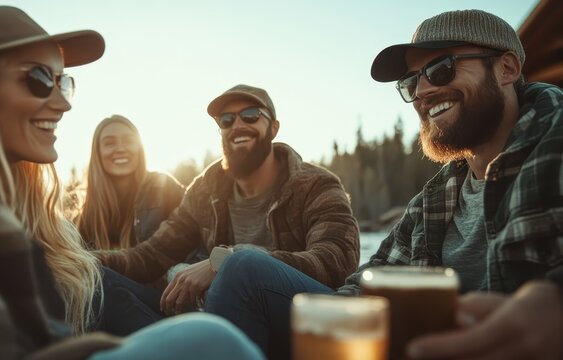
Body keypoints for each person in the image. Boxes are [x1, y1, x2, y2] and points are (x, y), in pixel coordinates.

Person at [203, 9, 563, 360]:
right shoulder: (436, 198)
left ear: (507, 68)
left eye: (440, 69)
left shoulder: (555, 144)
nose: (421, 91)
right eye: (410, 82)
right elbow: (366, 286)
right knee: (242, 275)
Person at [0, 6, 264, 360]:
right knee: (210, 341)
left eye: (63, 83)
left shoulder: (6, 205)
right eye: (39, 79)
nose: (62, 104)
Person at [95, 84, 360, 318]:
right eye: (226, 120)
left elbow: (336, 261)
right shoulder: (205, 189)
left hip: (299, 314)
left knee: (241, 267)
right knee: (96, 280)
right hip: (218, 313)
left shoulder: (316, 185)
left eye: (250, 116)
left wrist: (223, 262)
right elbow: (151, 255)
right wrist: (79, 259)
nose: (237, 126)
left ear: (274, 128)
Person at [77, 114, 205, 335]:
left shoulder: (164, 187)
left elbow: (199, 245)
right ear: (97, 153)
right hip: (116, 303)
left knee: (98, 279)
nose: (120, 148)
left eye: (128, 140)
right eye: (109, 143)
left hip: (167, 301)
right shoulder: (87, 213)